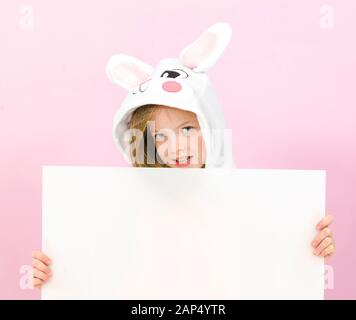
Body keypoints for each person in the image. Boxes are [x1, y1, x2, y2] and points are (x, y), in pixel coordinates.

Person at [31, 23, 335, 289]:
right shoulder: (130, 203)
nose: (175, 148)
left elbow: (270, 268)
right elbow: (100, 269)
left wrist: (308, 250)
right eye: (160, 136)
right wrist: (58, 275)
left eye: (188, 129)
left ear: (210, 123)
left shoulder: (246, 203)